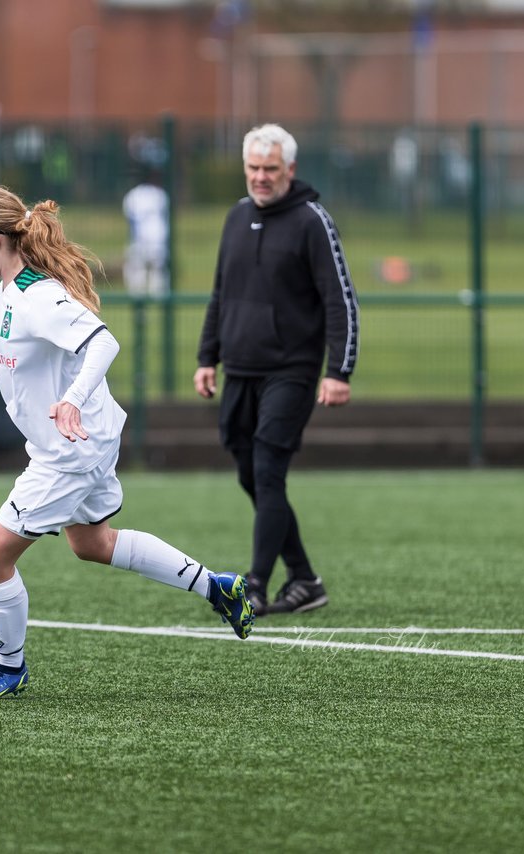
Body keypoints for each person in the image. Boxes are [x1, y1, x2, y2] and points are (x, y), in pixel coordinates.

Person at [0, 187, 254, 702]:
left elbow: (102, 342)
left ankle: (9, 667)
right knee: (92, 544)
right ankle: (217, 587)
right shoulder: (5, 294)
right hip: (73, 444)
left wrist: (70, 399)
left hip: (69, 451)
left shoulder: (35, 296)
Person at [194, 123, 360, 617]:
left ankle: (257, 584)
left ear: (289, 169)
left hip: (291, 369)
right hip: (240, 368)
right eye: (253, 168)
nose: (261, 177)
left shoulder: (313, 221)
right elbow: (221, 293)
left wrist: (340, 371)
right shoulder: (236, 217)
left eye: (270, 169)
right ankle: (305, 579)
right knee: (251, 473)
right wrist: (207, 357)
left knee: (268, 469)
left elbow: (341, 301)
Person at [121, 169, 169, 298]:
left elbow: (131, 220)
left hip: (140, 238)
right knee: (157, 271)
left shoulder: (132, 195)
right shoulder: (161, 194)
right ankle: (159, 299)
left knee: (138, 271)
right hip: (159, 238)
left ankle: (138, 299)